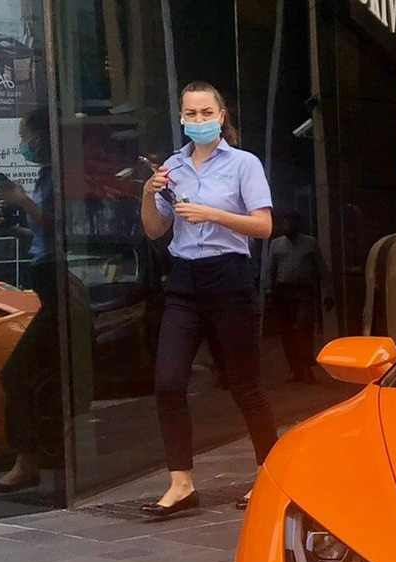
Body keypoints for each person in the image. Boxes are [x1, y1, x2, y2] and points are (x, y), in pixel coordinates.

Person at [140, 81, 276, 518]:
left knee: (245, 385)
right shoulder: (172, 168)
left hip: (229, 277)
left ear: (222, 116)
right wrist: (147, 193)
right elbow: (155, 230)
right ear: (181, 117)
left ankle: (270, 475)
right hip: (184, 279)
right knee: (168, 382)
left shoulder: (243, 164)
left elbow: (263, 227)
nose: (197, 120)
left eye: (205, 113)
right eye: (190, 114)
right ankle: (181, 483)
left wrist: (211, 214)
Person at [0, 108, 60, 494]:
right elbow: (44, 237)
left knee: (16, 374)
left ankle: (27, 460)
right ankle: (39, 456)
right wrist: (18, 229)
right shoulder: (46, 176)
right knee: (36, 378)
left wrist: (21, 201)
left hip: (61, 287)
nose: (24, 143)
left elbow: (63, 227)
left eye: (26, 135)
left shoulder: (61, 175)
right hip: (47, 283)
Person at [266, 210, 332, 383]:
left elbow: (322, 269)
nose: (286, 227)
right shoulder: (276, 244)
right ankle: (294, 369)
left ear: (298, 225)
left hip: (304, 292)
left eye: (290, 223)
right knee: (286, 332)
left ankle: (307, 367)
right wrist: (268, 292)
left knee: (303, 329)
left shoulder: (310, 243)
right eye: (284, 223)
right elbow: (270, 269)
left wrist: (328, 293)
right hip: (283, 292)